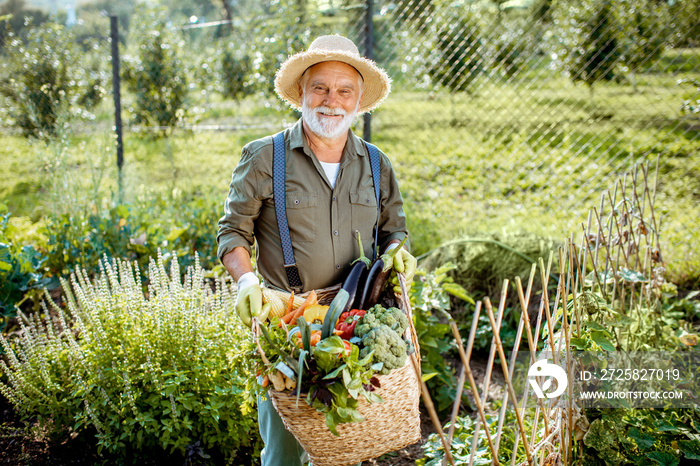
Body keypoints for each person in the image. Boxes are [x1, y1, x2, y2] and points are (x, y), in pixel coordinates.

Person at [216, 34, 417, 466]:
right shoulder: (265, 157)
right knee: (285, 451)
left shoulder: (378, 164)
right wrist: (247, 280)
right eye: (320, 87)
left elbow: (394, 231)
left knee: (344, 446)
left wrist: (399, 250)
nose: (332, 101)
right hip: (286, 322)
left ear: (359, 100)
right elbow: (232, 231)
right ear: (302, 94)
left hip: (354, 326)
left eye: (345, 90)